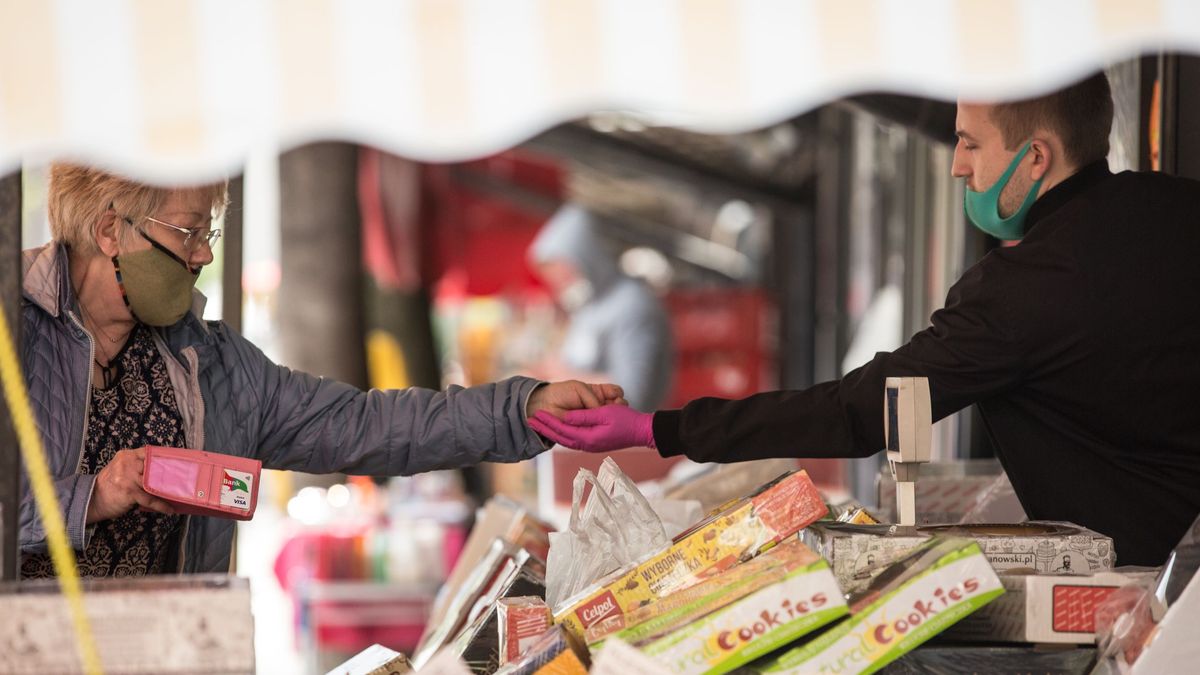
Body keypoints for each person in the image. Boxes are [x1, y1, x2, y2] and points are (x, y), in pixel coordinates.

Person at [531, 72, 1200, 567]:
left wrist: (659, 428)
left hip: (1158, 582)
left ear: (1036, 158)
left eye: (970, 144)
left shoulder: (1021, 292)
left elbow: (858, 411)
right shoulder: (1179, 207)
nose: (958, 166)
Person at [18, 163, 622, 578]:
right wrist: (93, 497)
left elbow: (365, 424)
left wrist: (520, 409)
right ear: (110, 230)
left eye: (210, 232)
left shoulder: (212, 362)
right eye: (189, 232)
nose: (205, 253)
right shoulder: (10, 336)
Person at [529, 204, 673, 411]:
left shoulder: (632, 305)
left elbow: (633, 394)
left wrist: (563, 377)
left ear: (585, 258)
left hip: (629, 430)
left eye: (566, 277)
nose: (562, 288)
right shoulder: (589, 306)